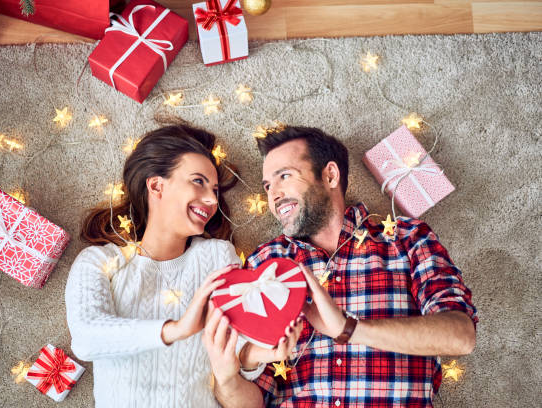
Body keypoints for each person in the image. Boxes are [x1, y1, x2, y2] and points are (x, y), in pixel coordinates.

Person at [203, 126, 478, 407]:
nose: (274, 194)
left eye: (284, 176)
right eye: (267, 186)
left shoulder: (406, 239)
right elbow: (253, 401)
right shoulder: (265, 264)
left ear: (330, 175)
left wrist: (349, 328)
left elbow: (461, 335)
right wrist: (226, 378)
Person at [65, 124, 244, 407]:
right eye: (198, 181)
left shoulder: (217, 257)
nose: (212, 200)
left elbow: (239, 346)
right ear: (156, 185)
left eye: (215, 190)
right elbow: (87, 340)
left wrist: (269, 349)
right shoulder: (99, 261)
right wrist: (176, 329)